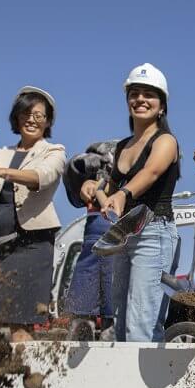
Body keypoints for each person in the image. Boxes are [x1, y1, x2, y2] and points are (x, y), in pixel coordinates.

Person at [0, 85, 67, 341]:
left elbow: (41, 177)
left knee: (23, 322)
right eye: (25, 113)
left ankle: (24, 378)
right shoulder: (0, 153)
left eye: (39, 115)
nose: (31, 119)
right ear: (16, 117)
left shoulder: (54, 152)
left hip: (31, 243)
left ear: (48, 121)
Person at [88, 64, 180, 342]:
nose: (140, 99)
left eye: (149, 94)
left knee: (144, 323)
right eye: (135, 94)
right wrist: (95, 190)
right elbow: (110, 190)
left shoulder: (166, 141)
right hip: (125, 234)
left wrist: (122, 194)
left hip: (154, 233)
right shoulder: (123, 147)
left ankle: (154, 387)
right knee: (121, 321)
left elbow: (150, 172)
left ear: (161, 106)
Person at [61, 139, 118, 338]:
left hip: (126, 220)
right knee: (91, 272)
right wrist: (86, 181)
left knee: (112, 276)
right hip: (100, 222)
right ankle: (83, 323)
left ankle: (108, 325)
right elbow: (75, 166)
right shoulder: (104, 154)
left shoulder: (148, 151)